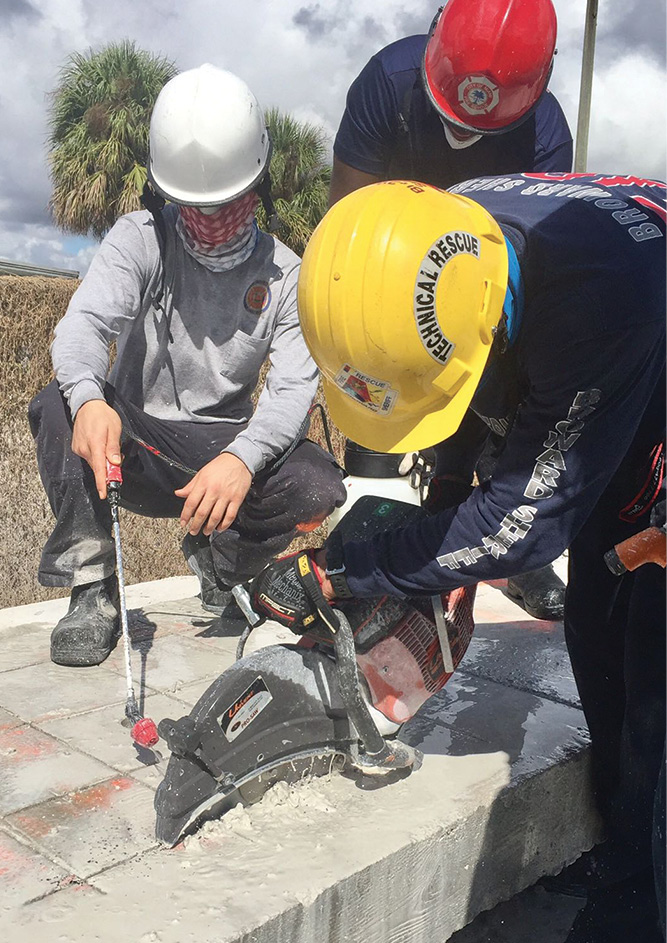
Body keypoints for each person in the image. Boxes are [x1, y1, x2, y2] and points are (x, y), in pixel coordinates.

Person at [254, 175, 666, 942]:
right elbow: (463, 384)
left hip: (646, 334)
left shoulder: (596, 300)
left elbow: (518, 526)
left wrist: (340, 573)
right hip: (617, 368)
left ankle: (638, 906)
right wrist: (445, 499)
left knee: (654, 669)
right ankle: (625, 852)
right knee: (594, 631)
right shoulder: (430, 240)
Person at [28, 64, 345, 668]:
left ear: (257, 183)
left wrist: (240, 461)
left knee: (317, 483)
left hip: (222, 455)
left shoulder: (288, 276)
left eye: (226, 201)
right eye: (191, 205)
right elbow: (84, 326)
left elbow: (292, 392)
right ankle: (93, 587)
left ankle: (222, 562)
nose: (209, 219)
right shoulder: (138, 239)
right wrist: (90, 400)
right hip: (135, 445)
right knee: (57, 405)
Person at [329, 0, 574, 620]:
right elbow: (345, 233)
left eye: (482, 132)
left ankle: (493, 539)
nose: (461, 137)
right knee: (373, 450)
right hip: (382, 276)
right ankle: (381, 509)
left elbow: (526, 269)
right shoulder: (386, 83)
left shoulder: (546, 136)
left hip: (478, 286)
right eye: (447, 116)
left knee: (506, 374)